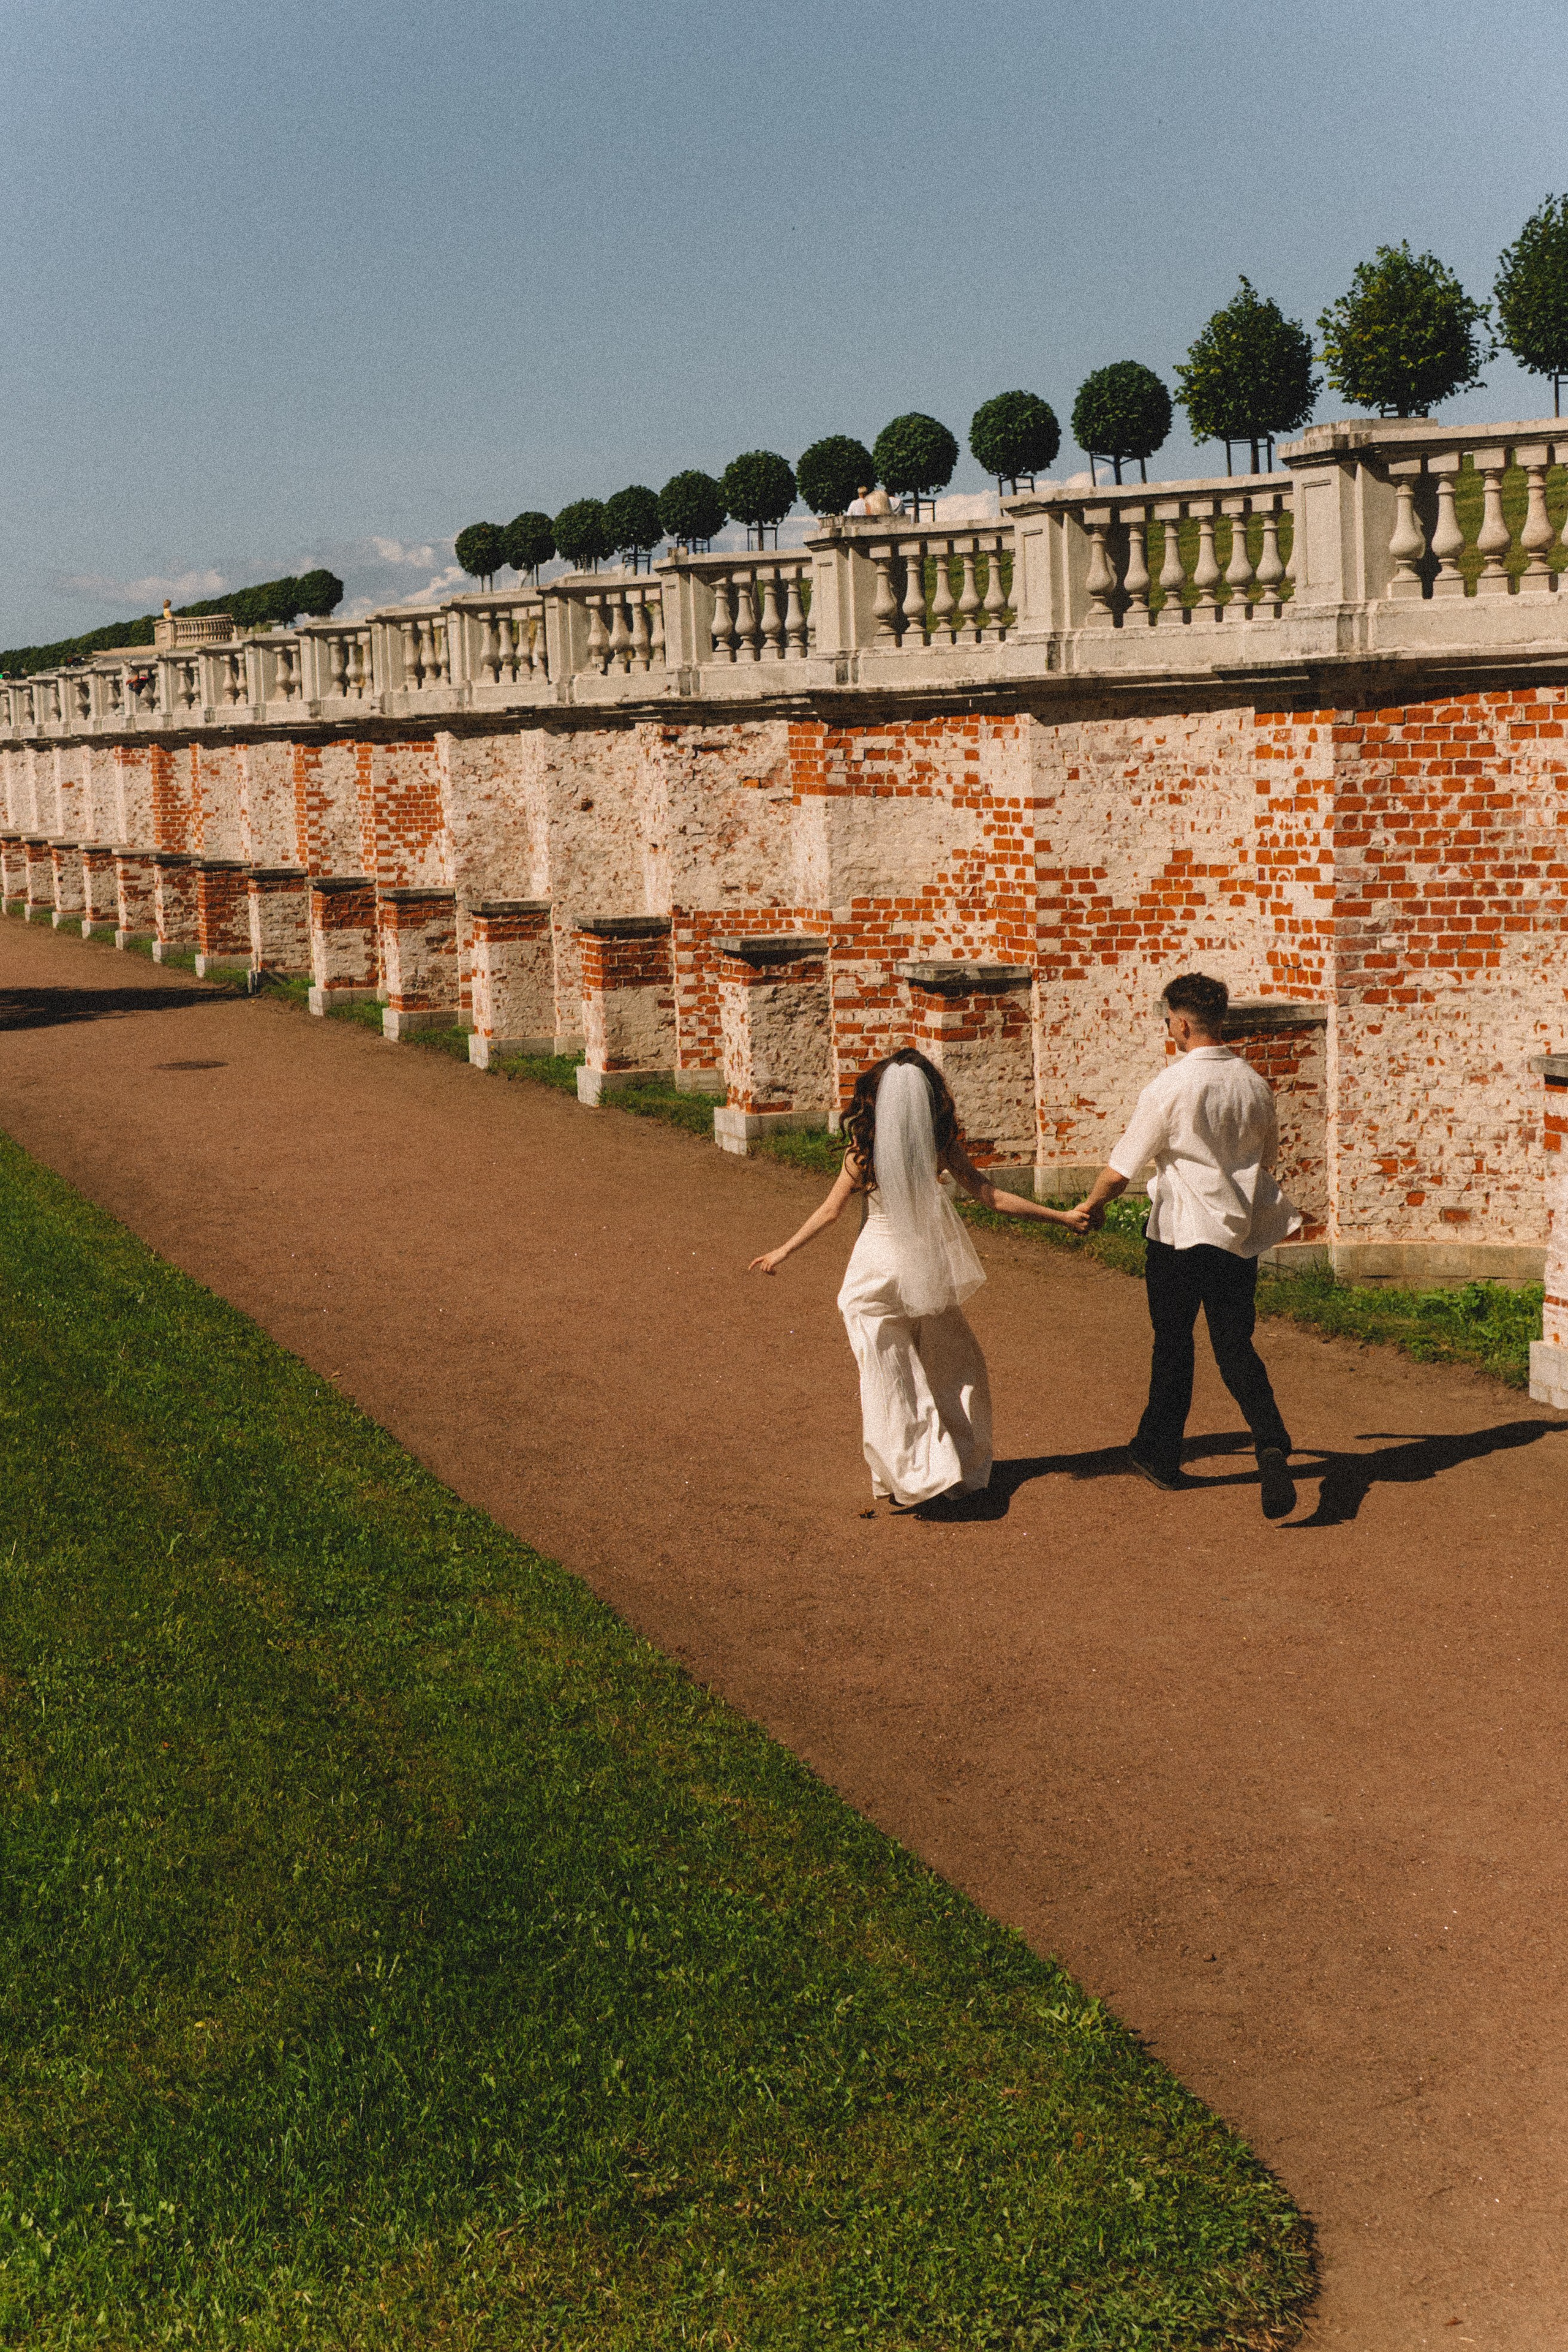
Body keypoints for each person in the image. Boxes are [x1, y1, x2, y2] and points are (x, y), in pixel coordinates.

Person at [748, 1050, 1089, 1507]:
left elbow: (830, 1213)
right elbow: (994, 1197)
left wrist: (783, 1251)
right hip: (926, 1266)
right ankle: (961, 1464)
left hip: (874, 1271)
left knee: (887, 1377)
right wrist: (1061, 1216)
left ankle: (909, 1472)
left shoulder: (861, 1153)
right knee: (953, 1363)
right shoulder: (940, 1145)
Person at [1076, 973, 1302, 1518]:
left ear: (1179, 1023)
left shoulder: (1171, 1085)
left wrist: (1090, 1207)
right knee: (1234, 1345)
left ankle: (1160, 1454)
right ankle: (1270, 1439)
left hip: (1180, 1235)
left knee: (1174, 1344)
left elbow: (1121, 1167)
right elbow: (1266, 1159)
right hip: (1235, 1236)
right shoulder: (1253, 1083)